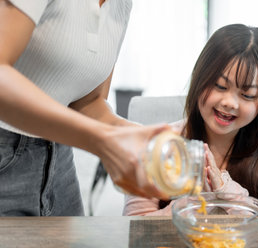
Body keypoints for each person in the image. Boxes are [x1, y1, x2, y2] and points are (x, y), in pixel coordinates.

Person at [0, 0, 169, 216]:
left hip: (59, 160)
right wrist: (102, 140)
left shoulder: (121, 5)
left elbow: (88, 101)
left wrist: (138, 136)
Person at [124, 23, 258, 216]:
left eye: (247, 95)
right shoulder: (159, 145)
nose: (230, 102)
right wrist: (193, 202)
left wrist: (226, 191)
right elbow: (136, 226)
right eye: (220, 86)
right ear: (200, 79)